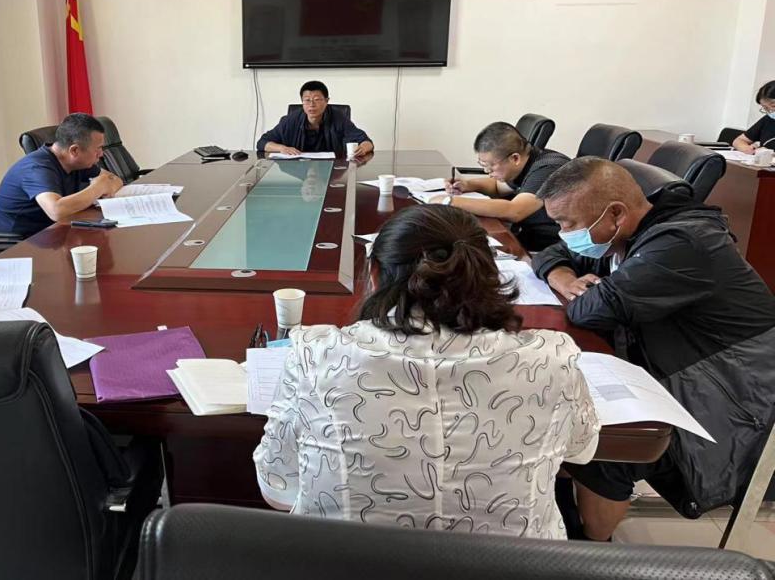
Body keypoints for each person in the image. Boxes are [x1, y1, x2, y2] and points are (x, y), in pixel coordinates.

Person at [253, 205, 601, 538]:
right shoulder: (552, 359)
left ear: (375, 275)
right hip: (515, 565)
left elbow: (277, 488)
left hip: (346, 563)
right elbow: (580, 449)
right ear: (486, 275)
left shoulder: (316, 355)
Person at [531, 157, 775, 541]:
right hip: (686, 373)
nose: (564, 234)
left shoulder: (683, 245)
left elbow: (591, 309)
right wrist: (564, 277)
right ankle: (564, 505)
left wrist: (582, 289)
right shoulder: (630, 233)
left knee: (601, 444)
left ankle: (589, 548)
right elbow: (551, 253)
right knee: (560, 402)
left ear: (615, 214)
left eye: (568, 223)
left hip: (734, 401)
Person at [0, 113, 123, 237]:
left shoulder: (77, 162)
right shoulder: (37, 168)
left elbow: (115, 179)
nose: (101, 154)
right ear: (74, 150)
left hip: (51, 233)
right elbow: (56, 211)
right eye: (98, 148)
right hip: (19, 243)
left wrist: (105, 186)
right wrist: (98, 188)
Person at [446, 122, 569, 252]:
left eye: (490, 166)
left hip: (549, 247)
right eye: (484, 165)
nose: (487, 171)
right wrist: (467, 185)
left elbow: (515, 211)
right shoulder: (528, 160)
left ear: (515, 158)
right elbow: (497, 187)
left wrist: (450, 201)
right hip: (525, 233)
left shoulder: (548, 169)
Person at [257, 81, 374, 157]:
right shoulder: (291, 120)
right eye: (307, 100)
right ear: (302, 102)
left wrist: (363, 148)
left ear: (326, 101)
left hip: (332, 170)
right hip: (299, 170)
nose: (311, 105)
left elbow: (366, 142)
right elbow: (262, 143)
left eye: (317, 100)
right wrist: (281, 148)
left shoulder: (339, 118)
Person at [732, 80, 775, 154]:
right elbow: (739, 141)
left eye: (773, 106)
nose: (770, 111)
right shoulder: (768, 119)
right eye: (765, 108)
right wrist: (748, 149)